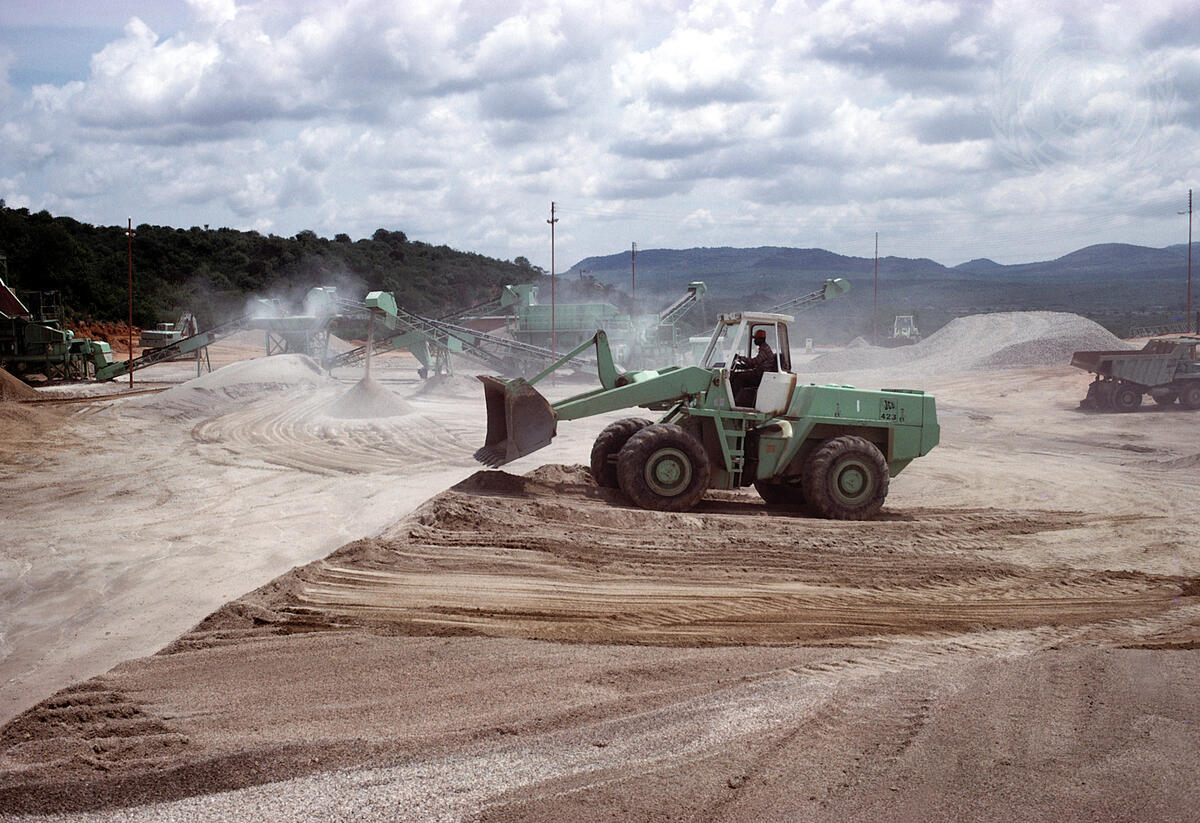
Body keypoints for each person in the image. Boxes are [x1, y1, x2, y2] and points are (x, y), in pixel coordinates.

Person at [730, 328, 776, 406]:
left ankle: (733, 401)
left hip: (760, 374)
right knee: (740, 375)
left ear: (761, 339)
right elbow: (756, 364)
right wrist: (743, 366)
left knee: (738, 377)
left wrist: (741, 358)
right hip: (759, 372)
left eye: (755, 339)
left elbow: (755, 361)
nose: (754, 341)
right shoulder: (763, 348)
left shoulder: (765, 349)